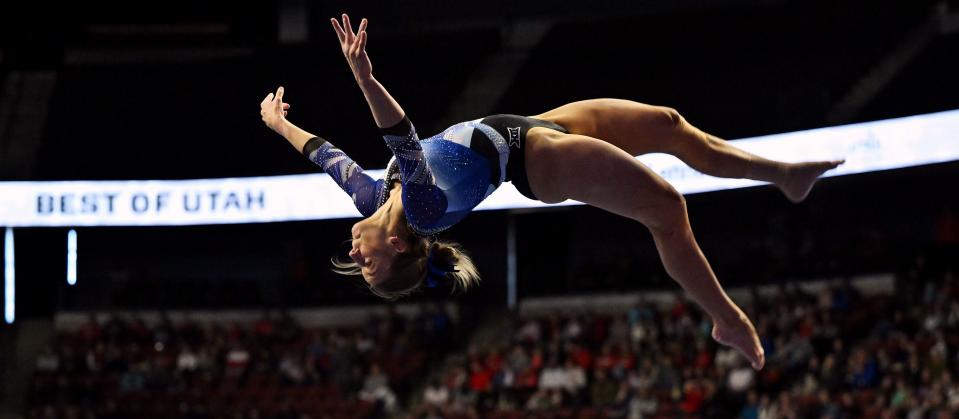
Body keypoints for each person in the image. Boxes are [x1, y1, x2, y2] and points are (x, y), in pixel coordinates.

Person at [260, 14, 845, 370]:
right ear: (402, 251)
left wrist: (280, 124)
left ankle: (782, 175)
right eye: (369, 269)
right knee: (668, 210)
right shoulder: (423, 209)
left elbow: (328, 157)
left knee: (670, 124)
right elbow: (403, 140)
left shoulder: (371, 200)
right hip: (541, 163)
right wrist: (365, 77)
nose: (355, 258)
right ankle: (727, 318)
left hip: (536, 126)